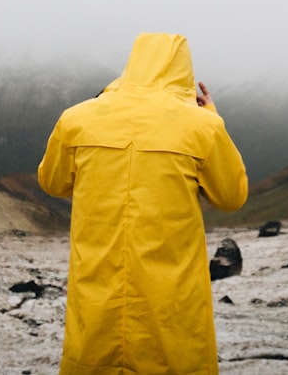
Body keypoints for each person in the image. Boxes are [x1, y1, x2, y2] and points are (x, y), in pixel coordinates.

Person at [38, 32, 248, 375]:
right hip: (170, 302)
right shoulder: (203, 127)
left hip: (97, 294)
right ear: (184, 72)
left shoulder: (75, 119)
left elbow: (51, 182)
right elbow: (231, 197)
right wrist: (210, 114)